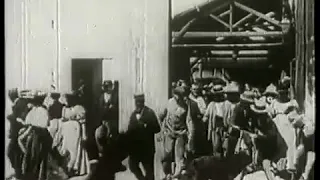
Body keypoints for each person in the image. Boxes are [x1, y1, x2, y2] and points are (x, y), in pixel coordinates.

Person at [159, 85, 201, 179]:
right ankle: (168, 174)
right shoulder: (169, 103)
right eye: (177, 95)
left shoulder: (186, 106)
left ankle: (176, 176)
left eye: (181, 96)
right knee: (166, 156)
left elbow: (189, 121)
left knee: (179, 158)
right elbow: (161, 116)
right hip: (169, 133)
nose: (179, 98)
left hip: (181, 134)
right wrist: (162, 130)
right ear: (174, 95)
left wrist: (190, 137)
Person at [238, 99, 279, 180]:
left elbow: (272, 136)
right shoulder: (254, 120)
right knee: (244, 169)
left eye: (261, 114)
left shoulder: (269, 122)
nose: (259, 115)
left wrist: (259, 136)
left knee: (266, 165)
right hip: (256, 149)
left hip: (268, 151)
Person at [17, 92, 52, 180]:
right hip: (43, 135)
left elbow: (29, 123)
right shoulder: (44, 111)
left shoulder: (34, 111)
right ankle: (40, 176)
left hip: (35, 135)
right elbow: (47, 124)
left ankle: (31, 175)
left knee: (32, 156)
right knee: (41, 157)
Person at [127, 93, 161, 180]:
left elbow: (157, 128)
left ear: (143, 102)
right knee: (132, 165)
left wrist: (146, 126)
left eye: (139, 102)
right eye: (136, 102)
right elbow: (129, 130)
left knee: (149, 171)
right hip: (136, 148)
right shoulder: (133, 114)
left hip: (147, 149)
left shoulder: (149, 113)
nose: (138, 104)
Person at [270, 77, 299, 172]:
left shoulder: (292, 102)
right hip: (277, 125)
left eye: (284, 93)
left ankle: (289, 165)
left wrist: (290, 112)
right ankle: (276, 166)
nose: (282, 95)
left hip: (288, 125)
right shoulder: (274, 103)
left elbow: (296, 114)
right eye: (280, 93)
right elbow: (270, 114)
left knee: (290, 144)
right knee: (278, 145)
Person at [203, 84, 227, 157]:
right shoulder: (212, 104)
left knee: (226, 147)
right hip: (215, 127)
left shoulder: (226, 104)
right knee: (216, 146)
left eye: (219, 95)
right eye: (216, 95)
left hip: (224, 127)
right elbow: (206, 116)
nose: (217, 96)